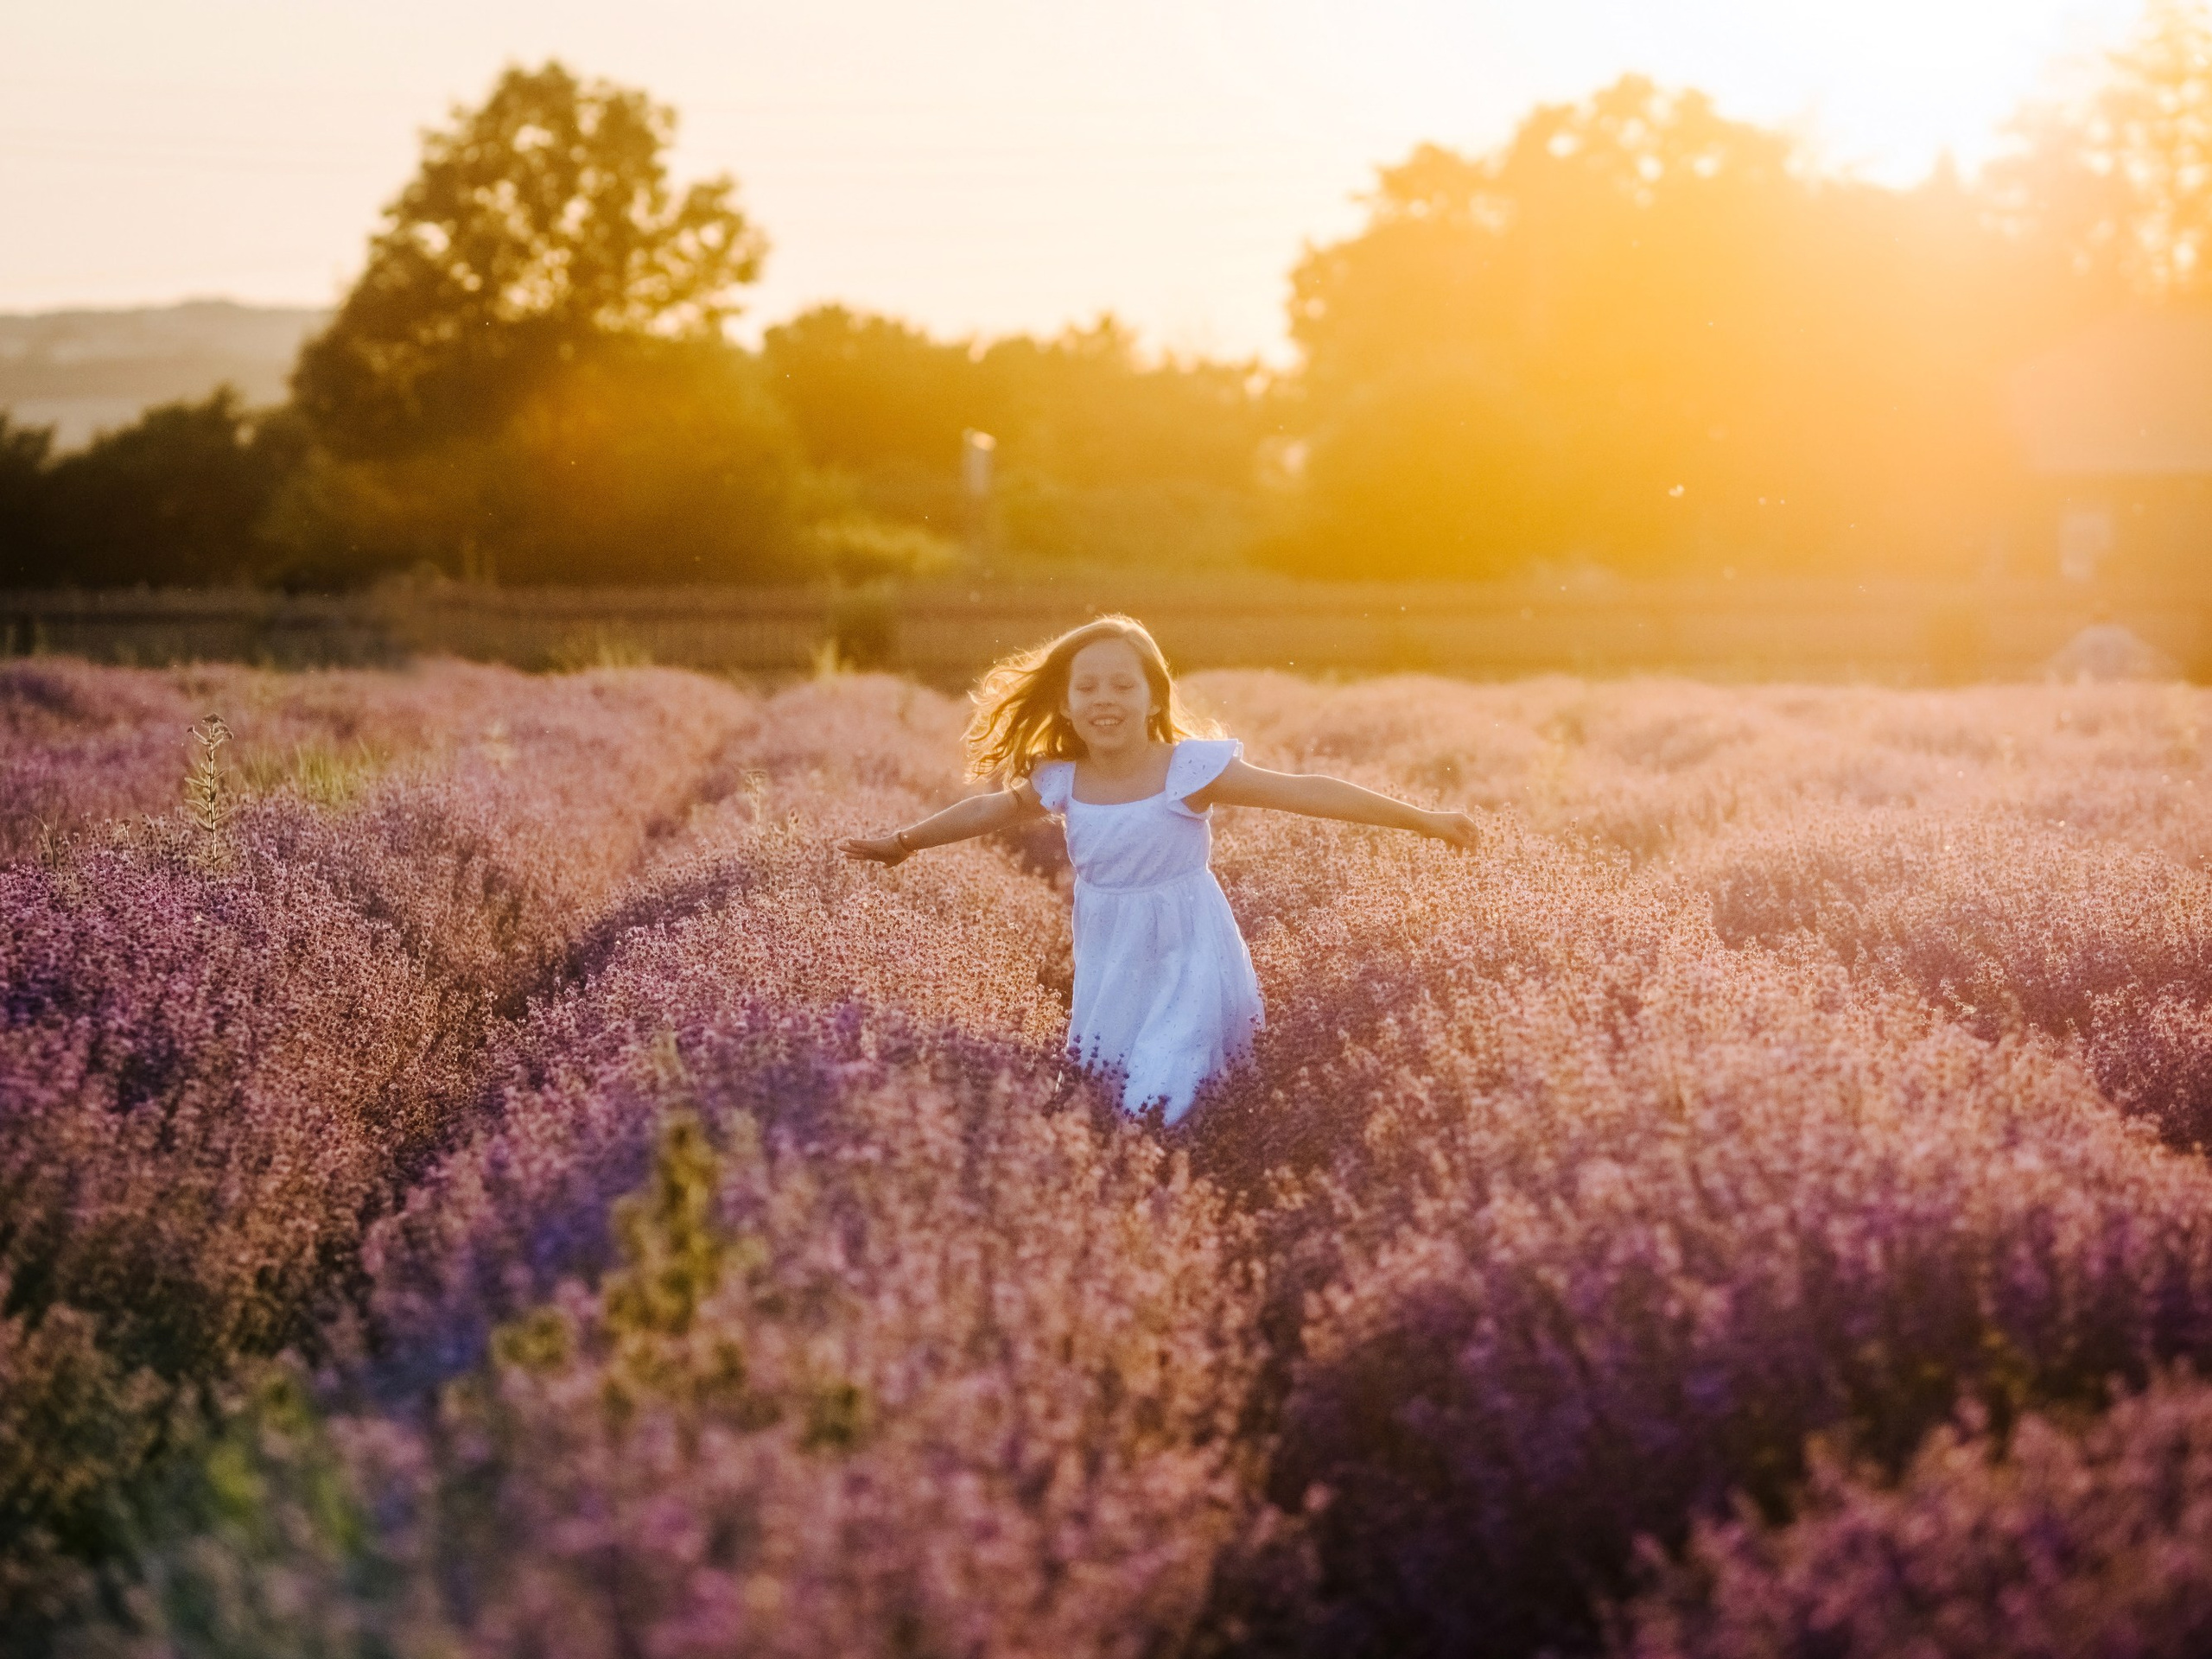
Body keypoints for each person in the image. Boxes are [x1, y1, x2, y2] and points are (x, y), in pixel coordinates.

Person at [841, 614, 1481, 1123]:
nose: (1105, 699)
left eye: (1124, 684)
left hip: (1190, 951)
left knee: (1166, 1081)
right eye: (1086, 687)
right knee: (1110, 1091)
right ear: (1064, 705)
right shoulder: (1062, 778)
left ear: (1153, 698)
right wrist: (904, 842)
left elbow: (1307, 789)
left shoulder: (1189, 770)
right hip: (1112, 959)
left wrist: (1423, 820)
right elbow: (987, 810)